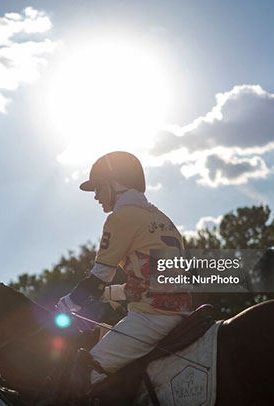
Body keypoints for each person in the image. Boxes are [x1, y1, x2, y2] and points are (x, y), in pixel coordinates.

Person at [57, 151, 193, 389]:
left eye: (99, 188)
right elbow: (151, 283)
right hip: (182, 315)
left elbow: (99, 276)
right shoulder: (162, 218)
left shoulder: (121, 217)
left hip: (151, 319)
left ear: (116, 182)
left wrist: (67, 303)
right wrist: (109, 294)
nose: (97, 196)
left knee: (84, 374)